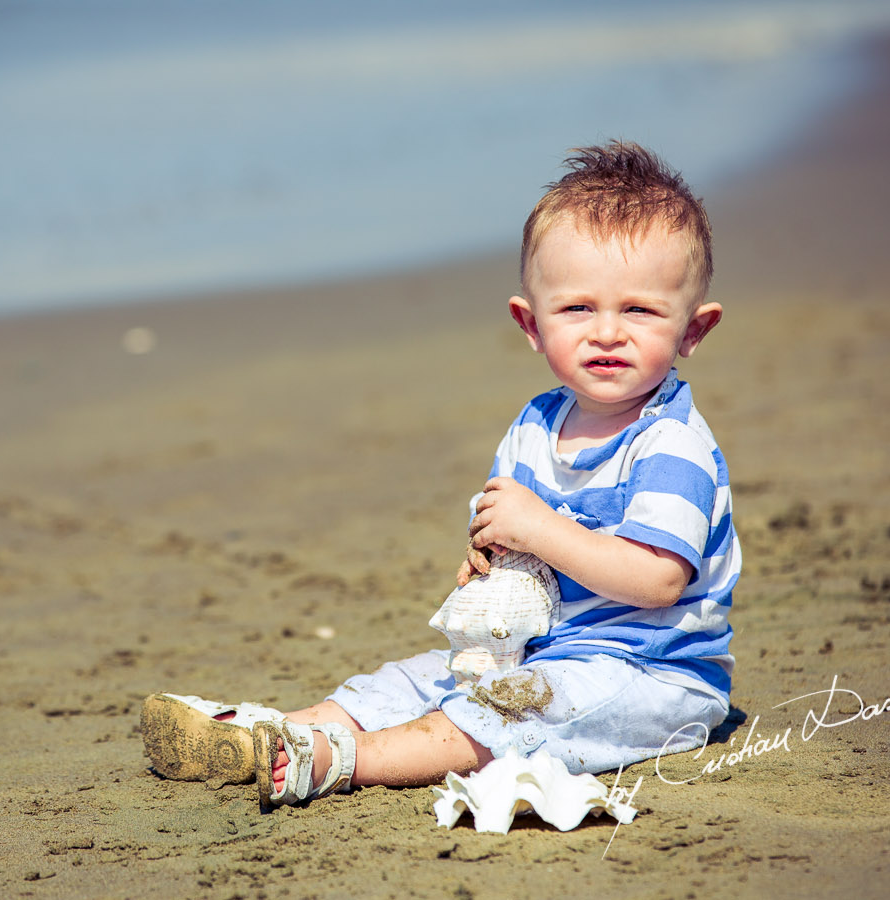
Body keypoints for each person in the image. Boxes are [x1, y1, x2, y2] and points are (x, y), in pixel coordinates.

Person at [141, 140, 739, 812]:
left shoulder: (670, 443)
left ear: (693, 330)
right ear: (531, 324)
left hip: (649, 675)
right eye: (577, 309)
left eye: (640, 310)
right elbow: (510, 535)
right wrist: (492, 557)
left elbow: (658, 580)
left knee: (508, 712)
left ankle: (347, 759)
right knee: (416, 680)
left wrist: (540, 530)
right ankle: (278, 729)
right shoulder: (536, 426)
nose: (606, 332)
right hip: (543, 647)